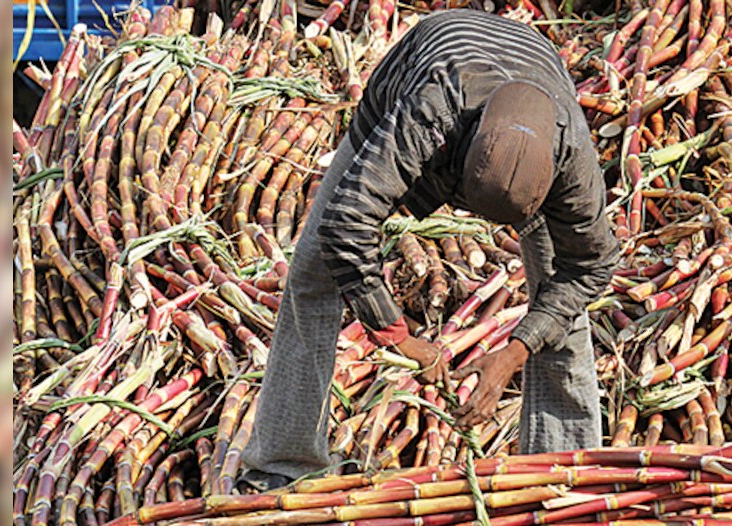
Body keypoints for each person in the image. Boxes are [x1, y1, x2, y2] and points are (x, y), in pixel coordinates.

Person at [238, 8, 619, 491]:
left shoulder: (571, 164)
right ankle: (283, 464)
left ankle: (563, 475)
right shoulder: (429, 111)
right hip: (435, 54)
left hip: (533, 69)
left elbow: (590, 267)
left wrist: (515, 352)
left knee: (559, 303)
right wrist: (398, 336)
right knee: (314, 271)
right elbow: (348, 222)